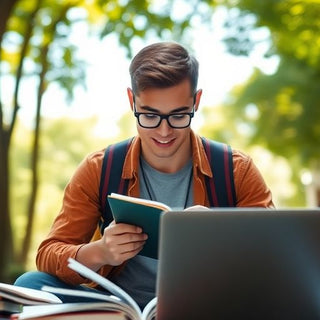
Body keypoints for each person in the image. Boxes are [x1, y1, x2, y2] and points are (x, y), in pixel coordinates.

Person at [14, 41, 274, 309]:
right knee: (30, 285)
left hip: (208, 305)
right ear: (132, 100)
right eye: (149, 116)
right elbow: (49, 253)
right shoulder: (99, 168)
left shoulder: (235, 169)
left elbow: (277, 256)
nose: (164, 132)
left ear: (196, 101)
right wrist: (100, 251)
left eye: (178, 115)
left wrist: (222, 234)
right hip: (118, 307)